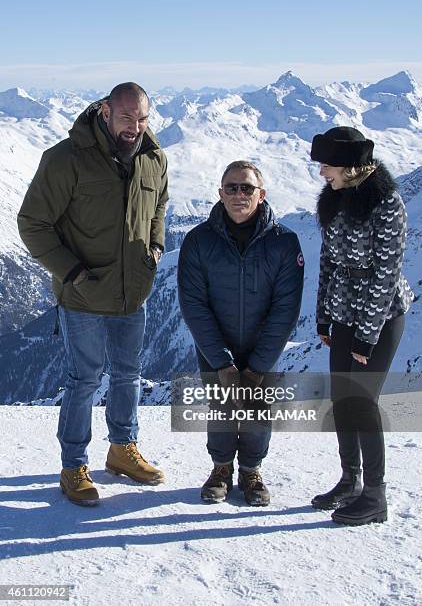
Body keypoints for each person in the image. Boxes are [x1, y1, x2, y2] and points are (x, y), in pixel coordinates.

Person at [18, 82, 168, 506]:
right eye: (126, 117)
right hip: (83, 294)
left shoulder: (154, 157)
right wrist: (72, 271)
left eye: (141, 119)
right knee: (84, 380)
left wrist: (155, 247)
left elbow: (159, 206)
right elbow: (32, 222)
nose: (134, 127)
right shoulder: (66, 159)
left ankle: (122, 449)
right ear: (104, 111)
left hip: (132, 292)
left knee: (128, 376)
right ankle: (73, 467)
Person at [178, 160, 304, 506]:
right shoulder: (198, 241)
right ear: (219, 194)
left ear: (261, 195)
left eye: (246, 188)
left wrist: (258, 366)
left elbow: (285, 309)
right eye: (231, 187)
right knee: (221, 407)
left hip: (263, 349)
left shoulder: (285, 243)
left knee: (257, 409)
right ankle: (221, 468)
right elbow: (193, 304)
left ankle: (251, 471)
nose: (238, 194)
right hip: (215, 346)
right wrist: (222, 361)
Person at [310, 127, 414, 525]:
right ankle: (349, 481)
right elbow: (329, 260)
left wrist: (367, 337)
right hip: (344, 311)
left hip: (380, 316)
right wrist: (323, 314)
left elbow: (385, 275)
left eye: (327, 165)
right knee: (342, 400)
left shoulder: (387, 203)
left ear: (351, 167)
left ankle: (375, 496)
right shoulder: (337, 197)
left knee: (363, 403)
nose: (322, 173)